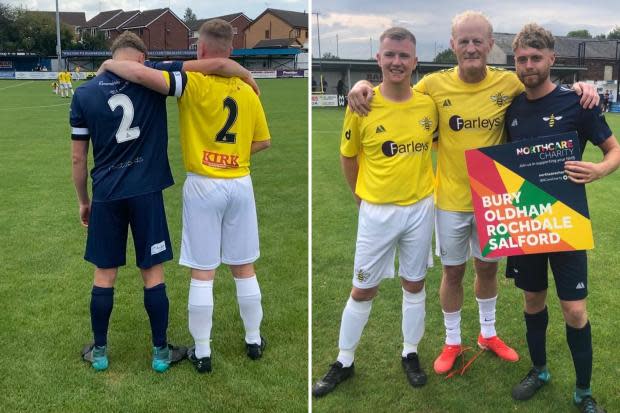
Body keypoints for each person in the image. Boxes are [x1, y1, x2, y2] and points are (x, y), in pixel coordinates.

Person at [347, 11, 599, 375]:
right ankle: (452, 341)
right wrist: (363, 86)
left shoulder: (509, 83)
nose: (470, 48)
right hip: (449, 200)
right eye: (463, 41)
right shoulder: (433, 86)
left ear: (489, 44)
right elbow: (396, 90)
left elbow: (543, 87)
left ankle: (488, 333)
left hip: (494, 199)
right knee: (452, 274)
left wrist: (582, 87)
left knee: (487, 269)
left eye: (477, 41)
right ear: (452, 45)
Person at [100, 19, 271, 374]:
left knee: (203, 271)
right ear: (232, 51)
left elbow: (140, 74)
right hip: (239, 181)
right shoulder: (246, 89)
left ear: (201, 50)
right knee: (244, 267)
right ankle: (253, 340)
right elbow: (264, 141)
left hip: (204, 184)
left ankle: (203, 352)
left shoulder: (190, 81)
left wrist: (109, 64)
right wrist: (234, 156)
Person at [312, 27, 437, 397]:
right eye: (390, 55)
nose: (397, 62)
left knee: (414, 284)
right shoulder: (361, 104)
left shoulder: (428, 104)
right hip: (377, 212)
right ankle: (344, 360)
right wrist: (359, 198)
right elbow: (348, 157)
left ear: (415, 62)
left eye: (404, 56)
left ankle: (410, 352)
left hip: (420, 208)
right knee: (363, 288)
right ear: (378, 59)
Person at [505, 24, 620, 413]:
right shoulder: (511, 108)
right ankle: (539, 371)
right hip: (526, 220)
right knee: (533, 300)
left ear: (553, 59)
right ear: (515, 62)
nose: (528, 65)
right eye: (521, 59)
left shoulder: (577, 103)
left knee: (575, 310)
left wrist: (600, 170)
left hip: (567, 221)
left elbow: (614, 150)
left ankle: (584, 393)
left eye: (536, 58)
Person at [71, 32, 188, 373]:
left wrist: (84, 201)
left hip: (106, 195)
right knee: (151, 271)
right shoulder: (151, 83)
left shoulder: (85, 93)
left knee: (104, 273)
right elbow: (193, 70)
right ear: (140, 59)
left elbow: (78, 160)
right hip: (146, 191)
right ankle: (160, 353)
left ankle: (101, 352)